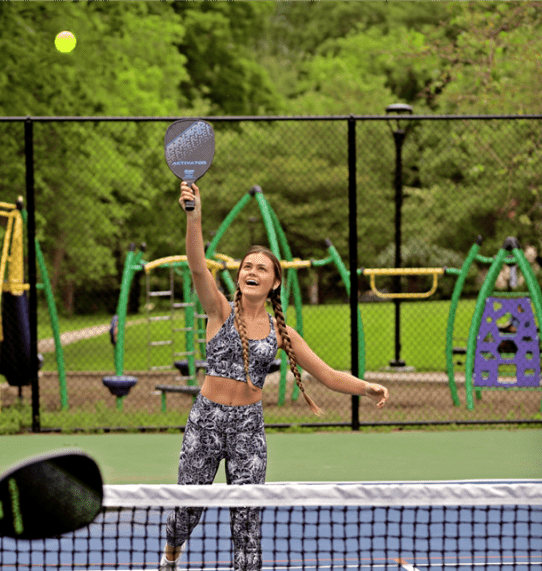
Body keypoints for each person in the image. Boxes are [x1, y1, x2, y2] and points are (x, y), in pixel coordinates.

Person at [158, 182, 389, 571]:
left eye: (260, 268)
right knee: (185, 512)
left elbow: (328, 375)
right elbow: (197, 265)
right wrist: (194, 216)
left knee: (247, 523)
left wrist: (366, 387)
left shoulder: (282, 333)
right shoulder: (218, 310)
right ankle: (169, 557)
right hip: (206, 423)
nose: (251, 271)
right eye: (247, 266)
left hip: (249, 430)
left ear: (274, 282)